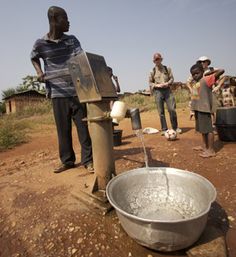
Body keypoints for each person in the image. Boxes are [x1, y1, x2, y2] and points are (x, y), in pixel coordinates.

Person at [31, 6, 93, 173]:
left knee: (83, 127)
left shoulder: (72, 40)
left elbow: (81, 58)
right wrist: (39, 72)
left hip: (76, 91)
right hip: (57, 93)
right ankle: (67, 161)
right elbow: (33, 57)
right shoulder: (40, 44)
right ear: (55, 21)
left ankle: (88, 160)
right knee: (63, 130)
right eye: (65, 18)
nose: (69, 22)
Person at [190, 63, 224, 158]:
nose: (194, 75)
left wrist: (209, 71)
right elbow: (194, 98)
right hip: (198, 109)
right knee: (202, 130)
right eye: (193, 74)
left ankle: (211, 150)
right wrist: (192, 110)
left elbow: (221, 70)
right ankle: (204, 146)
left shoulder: (206, 79)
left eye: (197, 73)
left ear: (202, 72)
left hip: (204, 110)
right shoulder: (196, 84)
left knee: (208, 130)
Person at [149, 52, 181, 135]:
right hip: (158, 92)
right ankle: (164, 129)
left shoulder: (167, 69)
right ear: (154, 61)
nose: (157, 60)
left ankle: (175, 127)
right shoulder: (152, 71)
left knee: (172, 109)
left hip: (167, 90)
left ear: (161, 59)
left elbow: (172, 79)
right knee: (161, 112)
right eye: (156, 59)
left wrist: (167, 83)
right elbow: (150, 83)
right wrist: (157, 85)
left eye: (159, 59)